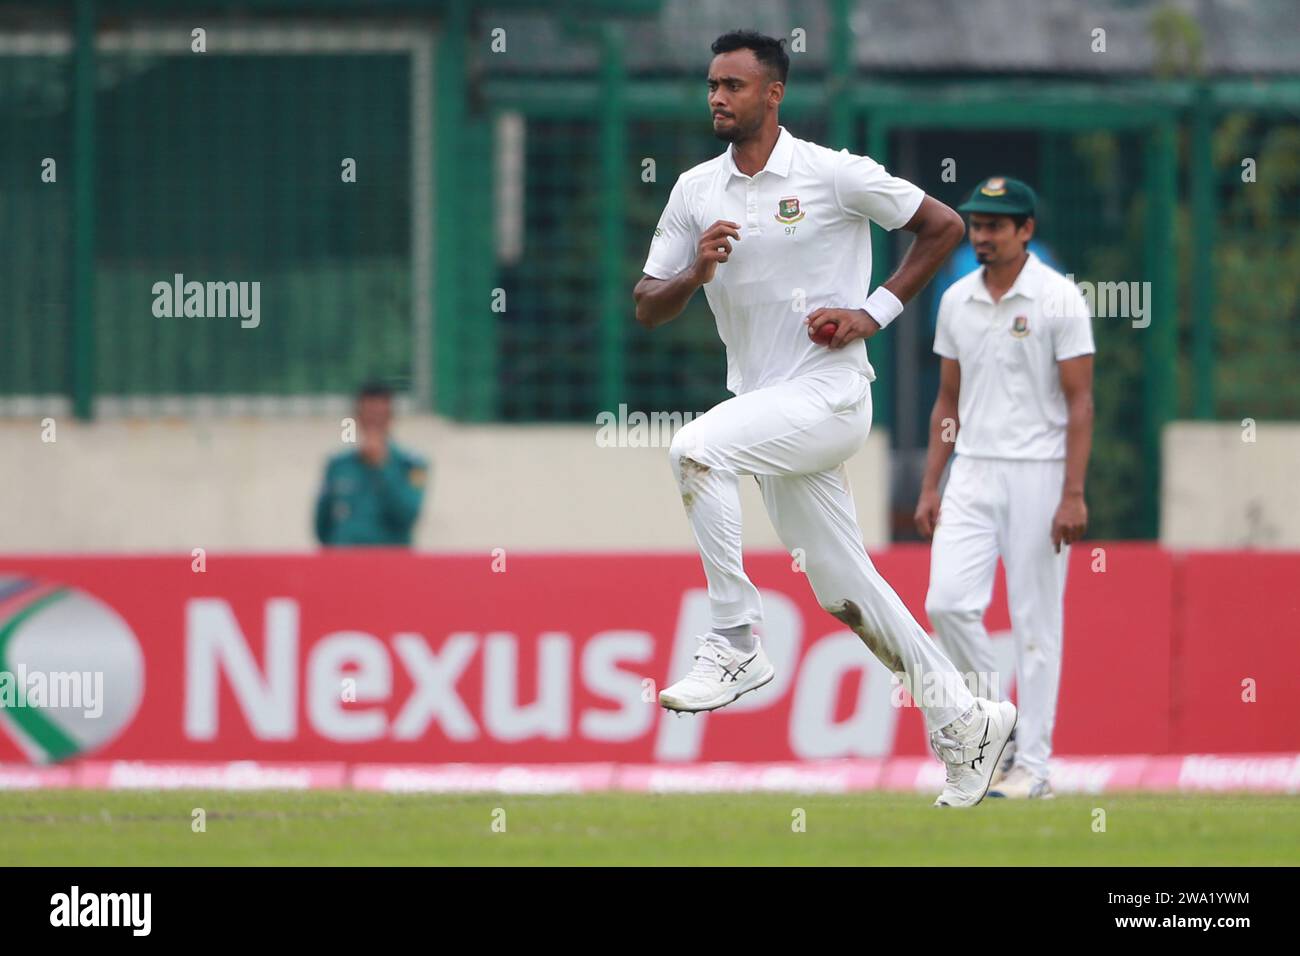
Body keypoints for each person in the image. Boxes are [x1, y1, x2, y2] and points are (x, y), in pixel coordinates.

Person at [632, 30, 1015, 807]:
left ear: (773, 96)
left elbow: (940, 226)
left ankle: (735, 638)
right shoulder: (694, 191)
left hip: (831, 397)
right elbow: (646, 306)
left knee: (696, 449)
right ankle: (967, 721)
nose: (717, 96)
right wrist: (694, 271)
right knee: (845, 588)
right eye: (712, 84)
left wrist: (872, 313)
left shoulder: (832, 174)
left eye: (735, 85)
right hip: (766, 409)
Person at [915, 177, 1095, 799]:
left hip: (1040, 473)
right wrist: (932, 481)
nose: (982, 235)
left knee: (1036, 622)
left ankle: (1035, 768)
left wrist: (1073, 492)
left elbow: (1080, 402)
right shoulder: (957, 298)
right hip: (972, 468)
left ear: (1026, 231)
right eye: (977, 224)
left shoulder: (1059, 298)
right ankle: (1003, 726)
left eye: (996, 225)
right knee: (946, 602)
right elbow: (948, 398)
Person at [314, 382, 429, 547]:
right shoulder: (338, 465)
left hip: (390, 563)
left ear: (391, 418)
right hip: (345, 562)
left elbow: (408, 515)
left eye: (380, 415)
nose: (373, 422)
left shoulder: (413, 465)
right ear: (357, 418)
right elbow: (322, 524)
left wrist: (382, 467)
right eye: (368, 415)